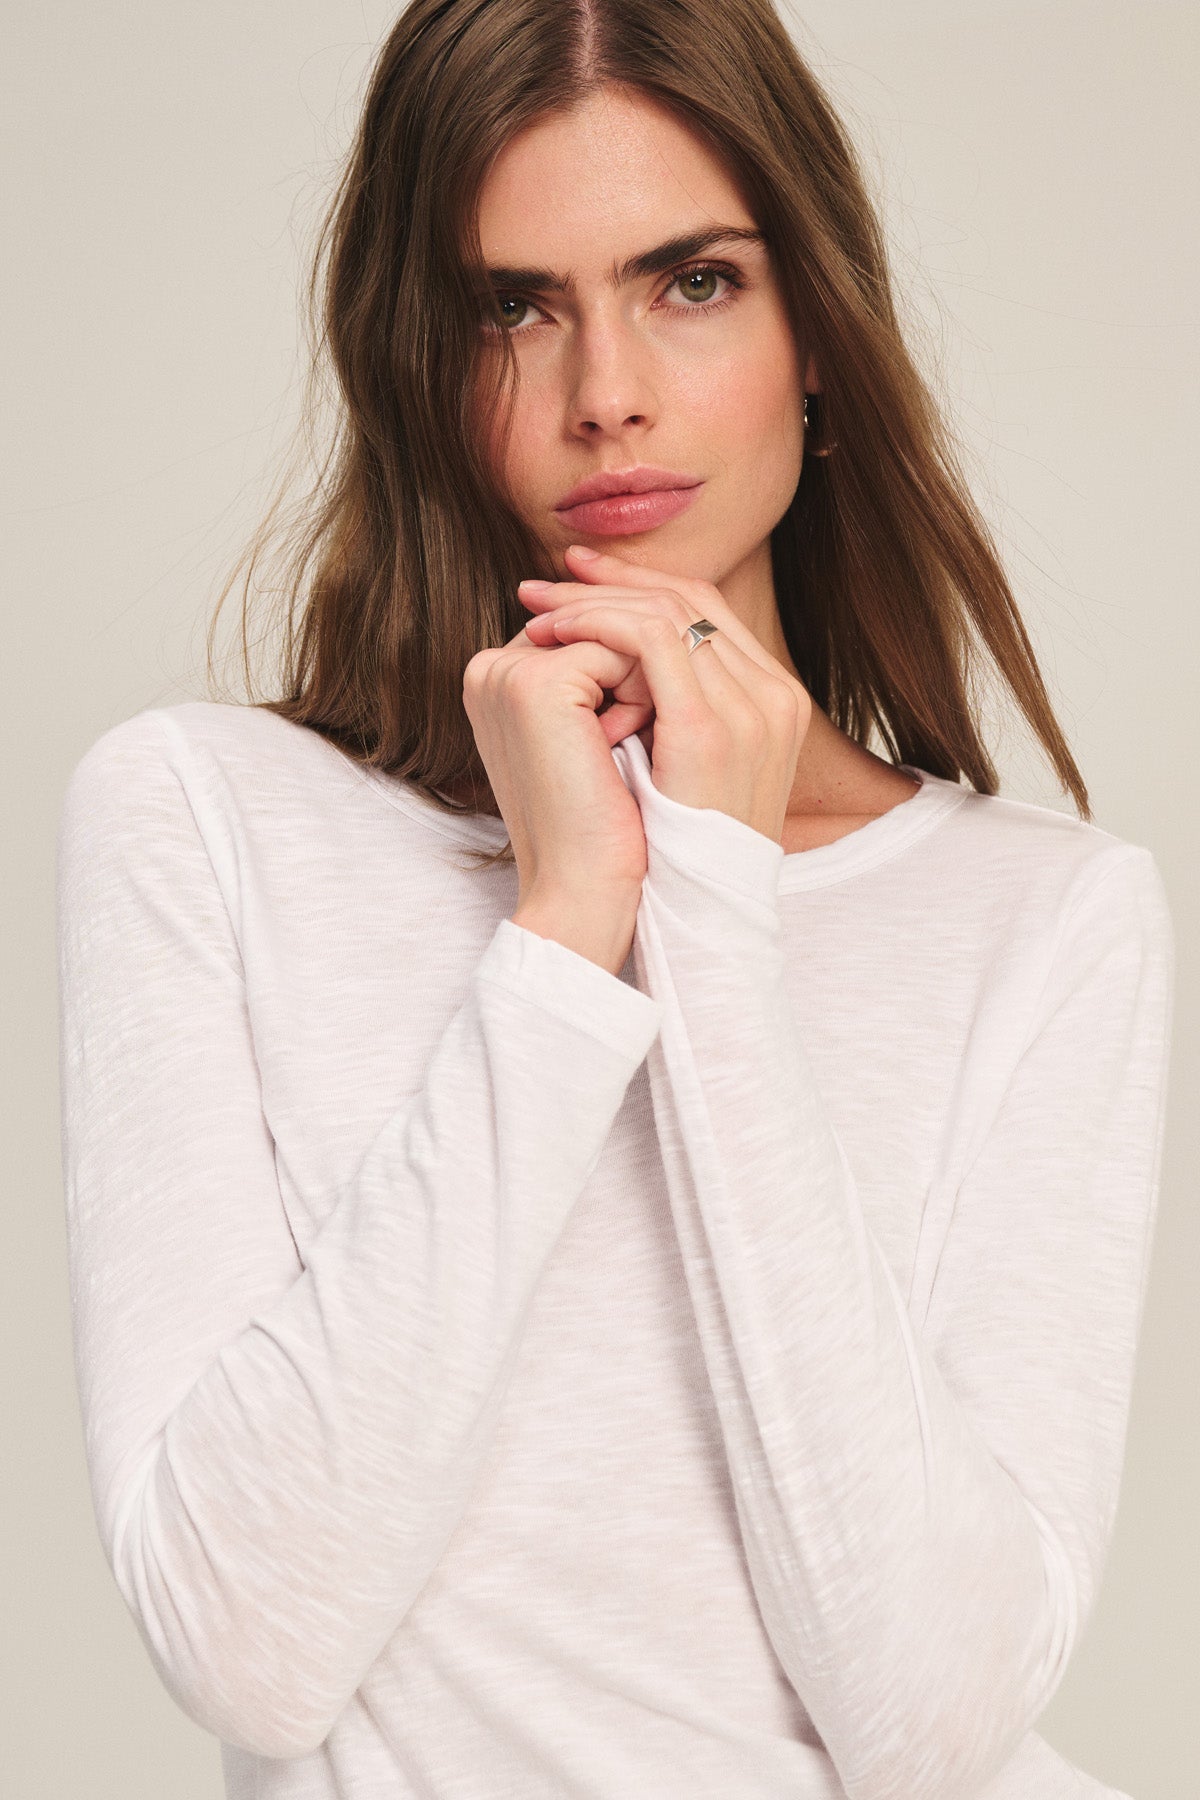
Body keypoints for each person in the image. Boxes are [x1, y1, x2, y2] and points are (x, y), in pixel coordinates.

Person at [55, 2, 1174, 1797]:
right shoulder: (209, 820)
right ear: (419, 360)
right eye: (515, 306)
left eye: (694, 281)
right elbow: (249, 1649)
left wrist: (712, 907)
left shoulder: (1050, 923)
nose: (608, 394)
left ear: (816, 321)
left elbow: (935, 1722)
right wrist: (570, 925)